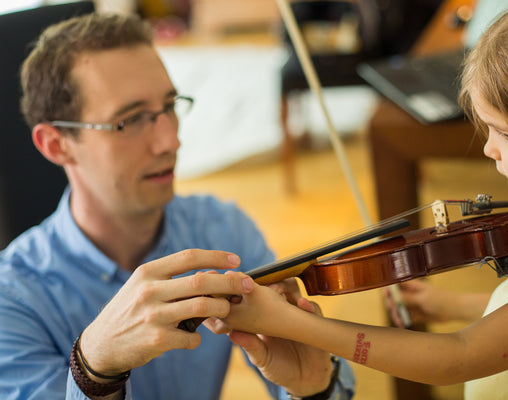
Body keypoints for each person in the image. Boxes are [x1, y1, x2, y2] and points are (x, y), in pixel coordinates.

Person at [215, 0, 508, 398]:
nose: (490, 149)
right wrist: (453, 307)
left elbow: (460, 356)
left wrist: (294, 326)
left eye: (504, 133)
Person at [0, 12, 354, 400]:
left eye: (169, 105)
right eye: (131, 120)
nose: (170, 141)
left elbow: (315, 379)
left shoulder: (224, 232)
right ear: (56, 144)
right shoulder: (12, 299)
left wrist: (315, 389)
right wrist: (92, 371)